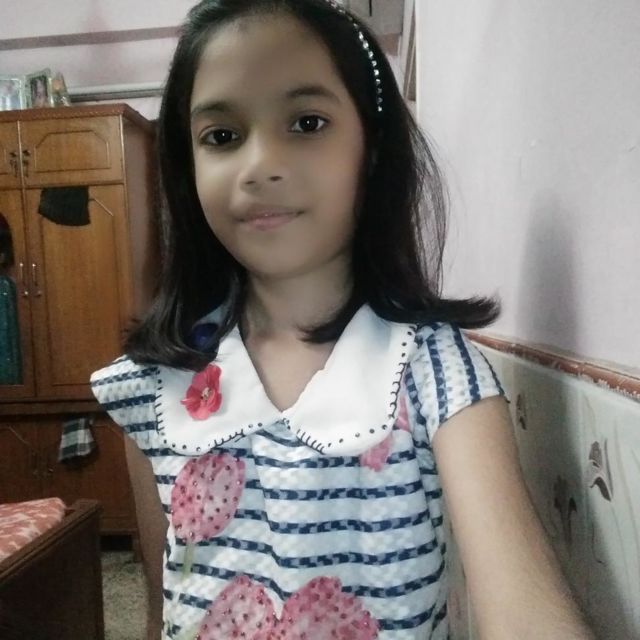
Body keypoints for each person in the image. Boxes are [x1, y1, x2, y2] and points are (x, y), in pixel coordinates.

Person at [91, 1, 596, 638]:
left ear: (372, 150)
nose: (259, 165)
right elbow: (163, 600)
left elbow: (523, 612)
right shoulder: (152, 385)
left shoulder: (436, 373)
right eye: (221, 136)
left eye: (307, 122)